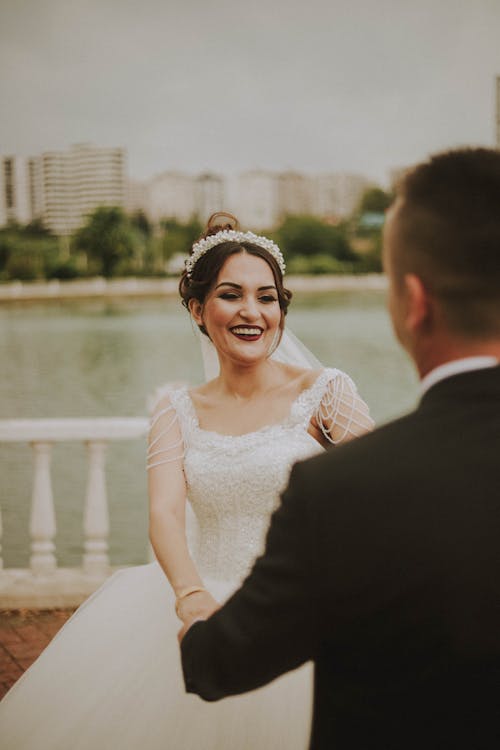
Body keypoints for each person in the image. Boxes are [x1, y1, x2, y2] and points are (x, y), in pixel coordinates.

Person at [0, 212, 373, 749]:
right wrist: (190, 596)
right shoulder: (176, 411)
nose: (252, 312)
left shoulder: (327, 394)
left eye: (267, 297)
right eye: (231, 295)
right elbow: (164, 513)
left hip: (309, 610)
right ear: (198, 310)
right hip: (205, 602)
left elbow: (377, 497)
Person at [180, 150, 500, 750]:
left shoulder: (342, 488)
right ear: (199, 310)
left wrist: (195, 632)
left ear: (413, 303)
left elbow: (221, 664)